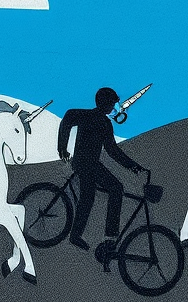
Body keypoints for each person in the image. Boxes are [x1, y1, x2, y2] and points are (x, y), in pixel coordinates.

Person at [58, 87, 143, 250]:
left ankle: (78, 235)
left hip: (87, 163)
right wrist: (132, 166)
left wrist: (62, 147)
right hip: (86, 163)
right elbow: (113, 151)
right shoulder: (102, 122)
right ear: (107, 104)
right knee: (114, 189)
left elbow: (68, 117)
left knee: (88, 196)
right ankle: (109, 235)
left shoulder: (97, 120)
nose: (114, 107)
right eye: (112, 103)